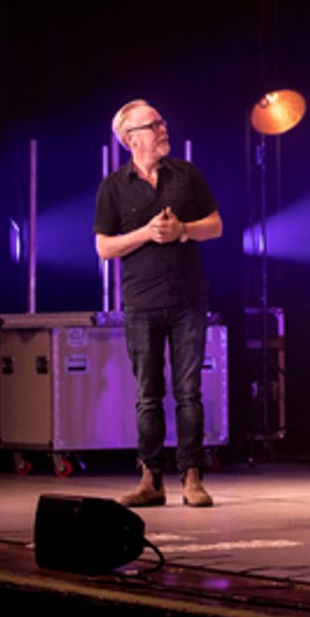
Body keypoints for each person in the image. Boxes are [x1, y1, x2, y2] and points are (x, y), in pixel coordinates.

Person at [95, 99, 224, 508]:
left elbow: (216, 226)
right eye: (153, 125)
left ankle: (192, 476)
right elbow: (104, 247)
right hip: (142, 302)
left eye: (162, 122)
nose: (163, 129)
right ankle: (151, 478)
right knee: (147, 394)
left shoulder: (186, 175)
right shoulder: (114, 187)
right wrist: (147, 233)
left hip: (188, 298)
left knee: (189, 392)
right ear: (131, 139)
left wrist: (182, 229)